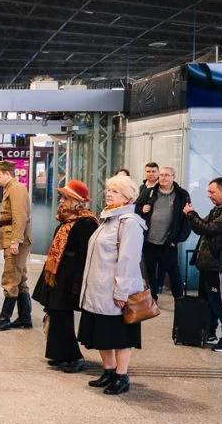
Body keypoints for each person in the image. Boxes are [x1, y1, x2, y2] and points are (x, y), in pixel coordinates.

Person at [79, 174, 146, 395]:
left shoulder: (130, 224)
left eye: (115, 191)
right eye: (108, 190)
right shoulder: (108, 219)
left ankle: (121, 375)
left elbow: (128, 260)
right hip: (98, 290)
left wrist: (122, 291)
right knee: (102, 333)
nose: (109, 194)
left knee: (119, 336)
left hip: (115, 292)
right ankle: (108, 371)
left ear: (127, 198)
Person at [33, 180, 98, 373]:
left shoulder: (86, 223)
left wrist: (77, 283)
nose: (61, 201)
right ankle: (59, 354)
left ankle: (74, 356)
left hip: (70, 277)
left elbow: (84, 256)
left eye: (65, 198)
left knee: (62, 314)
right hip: (57, 273)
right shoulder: (67, 220)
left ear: (76, 201)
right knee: (55, 312)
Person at [183, 177, 222, 352]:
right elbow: (201, 226)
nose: (209, 195)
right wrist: (192, 216)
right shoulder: (219, 209)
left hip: (219, 265)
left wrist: (191, 214)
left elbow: (207, 228)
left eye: (212, 192)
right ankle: (209, 331)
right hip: (208, 264)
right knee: (207, 301)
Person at [0, 160, 32, 330]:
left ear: (7, 173)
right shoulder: (11, 188)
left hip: (15, 239)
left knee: (11, 277)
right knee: (20, 278)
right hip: (12, 237)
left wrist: (15, 240)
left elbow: (20, 216)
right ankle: (24, 318)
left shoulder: (16, 188)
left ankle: (5, 318)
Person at [137, 166, 192, 300]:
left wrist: (177, 239)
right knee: (150, 271)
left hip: (169, 243)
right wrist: (141, 209)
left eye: (167, 175)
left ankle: (179, 299)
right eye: (161, 175)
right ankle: (152, 297)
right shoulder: (149, 192)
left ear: (173, 177)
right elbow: (135, 208)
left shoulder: (182, 195)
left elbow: (187, 219)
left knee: (173, 271)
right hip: (149, 241)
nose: (163, 178)